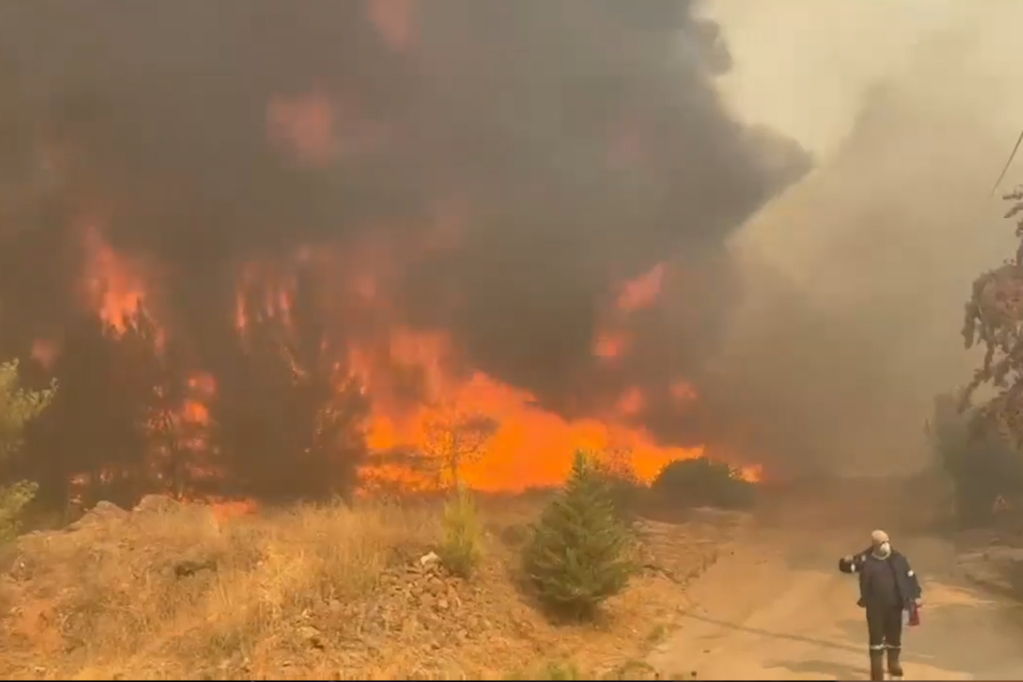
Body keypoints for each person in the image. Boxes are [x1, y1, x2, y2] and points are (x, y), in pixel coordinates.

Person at [838, 530, 922, 681]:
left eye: (886, 542)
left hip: (895, 606)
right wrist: (845, 561)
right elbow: (847, 568)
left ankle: (894, 668)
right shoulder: (865, 560)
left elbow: (910, 577)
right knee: (876, 641)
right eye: (882, 543)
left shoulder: (898, 559)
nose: (885, 546)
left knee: (894, 639)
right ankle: (877, 675)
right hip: (875, 607)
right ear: (875, 546)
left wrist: (915, 596)